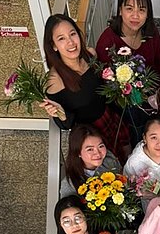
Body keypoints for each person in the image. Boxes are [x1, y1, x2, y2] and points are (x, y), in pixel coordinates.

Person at [40, 13, 130, 161]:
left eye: (72, 34)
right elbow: (67, 124)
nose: (70, 42)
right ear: (54, 46)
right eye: (61, 38)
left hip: (110, 117)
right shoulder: (55, 81)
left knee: (126, 155)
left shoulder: (90, 54)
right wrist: (59, 112)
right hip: (91, 136)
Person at [96, 0, 160, 83]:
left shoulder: (151, 33)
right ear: (120, 10)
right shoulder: (107, 41)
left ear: (148, 13)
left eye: (141, 10)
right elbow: (104, 82)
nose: (135, 16)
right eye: (129, 9)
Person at [60, 124, 122, 197]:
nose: (98, 153)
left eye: (101, 146)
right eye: (90, 149)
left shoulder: (109, 159)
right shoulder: (70, 185)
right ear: (78, 152)